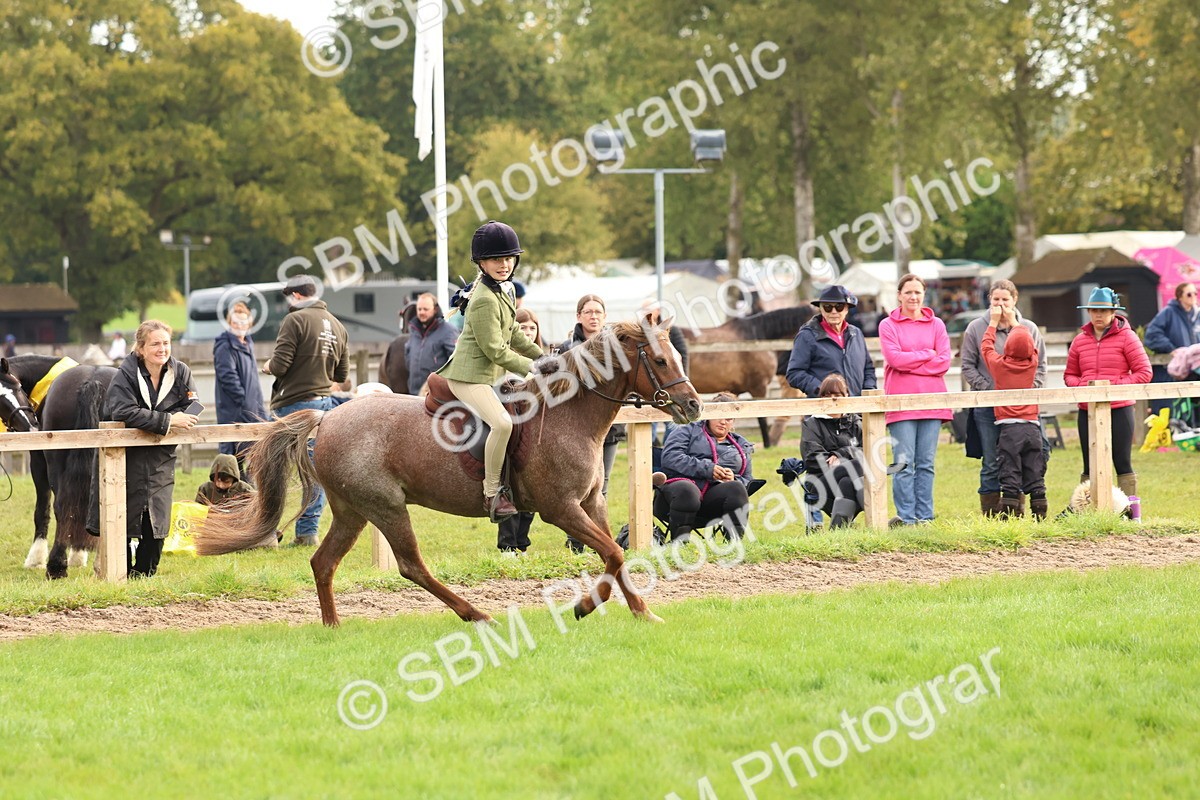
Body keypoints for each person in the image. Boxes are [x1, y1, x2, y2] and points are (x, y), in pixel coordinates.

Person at [438, 220, 546, 522]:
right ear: (482, 262)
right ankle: (492, 493)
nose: (505, 264)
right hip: (469, 377)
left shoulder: (504, 290)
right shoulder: (484, 299)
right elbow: (495, 350)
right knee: (501, 424)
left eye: (509, 258)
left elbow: (514, 332)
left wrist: (544, 356)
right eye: (497, 259)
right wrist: (533, 366)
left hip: (493, 376)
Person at [92, 320, 198, 578]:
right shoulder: (124, 375)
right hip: (125, 459)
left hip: (162, 458)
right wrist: (169, 421)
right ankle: (120, 573)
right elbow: (123, 411)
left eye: (166, 343)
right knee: (122, 519)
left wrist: (168, 421)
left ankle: (145, 575)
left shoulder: (181, 371)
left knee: (157, 522)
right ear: (141, 348)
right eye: (155, 344)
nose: (162, 349)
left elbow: (193, 408)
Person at [263, 274, 349, 545]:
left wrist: (267, 366)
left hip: (292, 405)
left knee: (273, 470)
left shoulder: (294, 320)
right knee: (314, 472)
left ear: (297, 296)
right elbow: (341, 373)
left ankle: (266, 531)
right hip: (323, 404)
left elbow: (280, 365)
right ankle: (307, 532)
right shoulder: (338, 326)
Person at [960, 279, 1047, 516]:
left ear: (1014, 300)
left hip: (1022, 407)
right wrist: (991, 389)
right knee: (991, 460)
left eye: (1005, 300)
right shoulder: (975, 328)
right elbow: (968, 365)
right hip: (988, 405)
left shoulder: (1029, 328)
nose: (1000, 304)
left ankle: (1015, 509)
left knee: (1025, 456)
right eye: (996, 299)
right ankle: (992, 514)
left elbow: (1041, 366)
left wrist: (1024, 390)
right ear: (989, 300)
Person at [1063, 287, 1152, 501]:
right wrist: (1085, 386)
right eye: (1094, 310)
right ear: (1088, 312)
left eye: (1103, 310)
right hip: (1088, 409)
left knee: (1122, 462)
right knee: (1089, 464)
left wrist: (1114, 386)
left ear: (1113, 312)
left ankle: (1131, 513)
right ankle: (1087, 510)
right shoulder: (1079, 341)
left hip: (1119, 409)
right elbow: (1070, 375)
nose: (1098, 315)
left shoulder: (1127, 337)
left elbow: (1144, 372)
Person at [878, 273, 952, 526]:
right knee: (903, 463)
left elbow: (943, 362)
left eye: (917, 292)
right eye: (908, 292)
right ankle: (906, 517)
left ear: (924, 295)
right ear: (899, 295)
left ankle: (925, 517)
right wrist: (926, 354)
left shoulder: (937, 325)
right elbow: (894, 359)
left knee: (926, 463)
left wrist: (912, 362)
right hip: (900, 403)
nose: (913, 297)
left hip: (932, 402)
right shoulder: (888, 325)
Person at [654, 392, 756, 543]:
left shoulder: (742, 445)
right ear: (708, 414)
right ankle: (679, 545)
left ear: (733, 422)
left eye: (728, 419)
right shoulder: (687, 430)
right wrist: (708, 469)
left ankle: (733, 546)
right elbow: (670, 457)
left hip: (713, 502)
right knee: (687, 489)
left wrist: (734, 478)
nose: (723, 422)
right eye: (718, 416)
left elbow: (748, 480)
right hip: (676, 494)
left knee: (737, 488)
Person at [979, 309, 1047, 519]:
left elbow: (986, 347)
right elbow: (1033, 348)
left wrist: (992, 324)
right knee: (1035, 472)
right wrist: (1016, 322)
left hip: (1009, 429)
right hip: (1032, 428)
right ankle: (1040, 515)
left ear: (1007, 347)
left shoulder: (999, 365)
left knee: (1010, 472)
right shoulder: (1032, 363)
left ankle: (1009, 515)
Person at [497, 308, 548, 554]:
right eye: (523, 327)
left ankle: (522, 542)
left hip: (535, 427)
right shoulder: (504, 356)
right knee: (508, 477)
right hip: (509, 419)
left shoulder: (542, 358)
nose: (528, 332)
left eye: (532, 328)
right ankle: (507, 545)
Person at [786, 284, 876, 398]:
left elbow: (868, 368)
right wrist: (823, 390)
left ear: (847, 309)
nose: (834, 311)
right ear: (821, 309)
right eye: (828, 307)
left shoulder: (856, 334)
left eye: (839, 307)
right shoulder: (807, 336)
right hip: (823, 411)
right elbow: (794, 373)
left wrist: (869, 391)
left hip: (857, 410)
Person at [800, 374, 865, 528]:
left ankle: (838, 530)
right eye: (827, 395)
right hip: (819, 481)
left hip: (851, 478)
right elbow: (812, 457)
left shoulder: (856, 421)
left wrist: (841, 454)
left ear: (847, 396)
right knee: (857, 465)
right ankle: (879, 523)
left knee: (847, 481)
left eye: (837, 395)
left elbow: (866, 449)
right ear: (820, 397)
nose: (833, 399)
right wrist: (843, 461)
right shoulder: (811, 423)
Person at [213, 301, 268, 477]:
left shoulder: (247, 344)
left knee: (255, 456)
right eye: (236, 322)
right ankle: (233, 500)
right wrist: (243, 399)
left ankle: (250, 498)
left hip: (253, 410)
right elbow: (227, 375)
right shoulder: (224, 345)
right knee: (233, 461)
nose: (240, 326)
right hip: (234, 412)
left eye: (244, 322)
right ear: (230, 323)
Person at [1144, 281, 1200, 428]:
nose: (1193, 296)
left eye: (1195, 293)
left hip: (1195, 369)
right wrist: (1170, 348)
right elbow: (1152, 335)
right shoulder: (1168, 312)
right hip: (1173, 369)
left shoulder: (1197, 315)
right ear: (1179, 297)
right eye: (1189, 294)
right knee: (1173, 404)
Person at [404, 292, 458, 395]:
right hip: (414, 394)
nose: (422, 312)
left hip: (437, 396)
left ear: (435, 309)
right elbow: (407, 357)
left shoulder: (449, 331)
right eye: (419, 309)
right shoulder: (414, 332)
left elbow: (455, 361)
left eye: (425, 309)